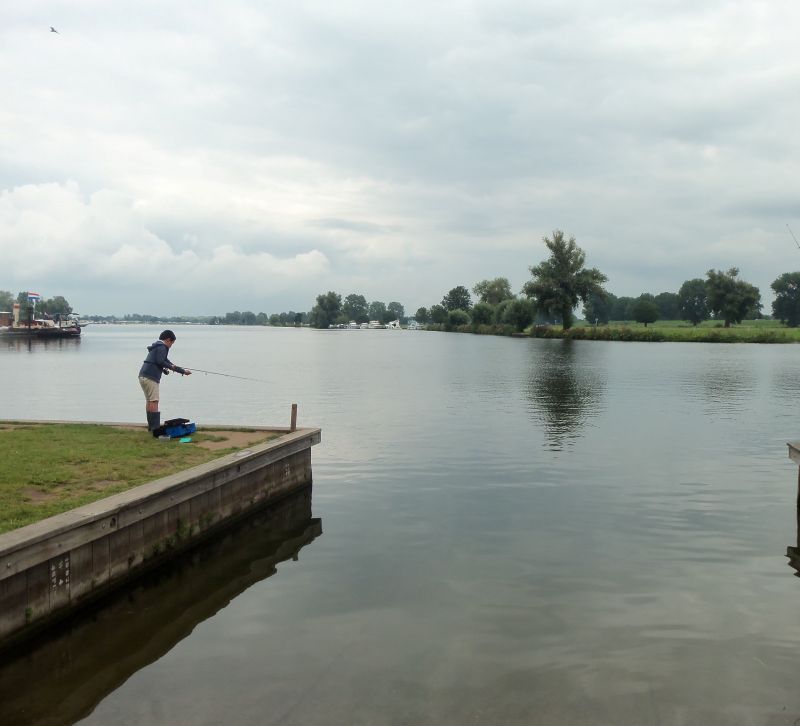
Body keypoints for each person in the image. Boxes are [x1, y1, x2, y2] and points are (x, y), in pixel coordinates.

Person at [138, 330, 191, 431]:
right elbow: (161, 361)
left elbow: (166, 362)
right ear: (168, 340)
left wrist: (181, 371)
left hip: (143, 375)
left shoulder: (157, 346)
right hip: (151, 377)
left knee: (149, 401)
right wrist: (178, 370)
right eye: (172, 343)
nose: (171, 346)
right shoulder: (163, 347)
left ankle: (151, 427)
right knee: (154, 401)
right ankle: (155, 429)